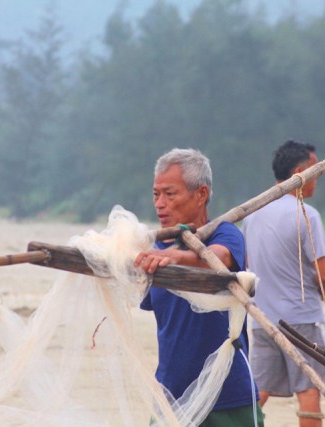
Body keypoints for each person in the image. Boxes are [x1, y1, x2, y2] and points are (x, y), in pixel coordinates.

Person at [134, 148, 262, 426]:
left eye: (170, 194)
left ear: (201, 194)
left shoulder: (225, 233)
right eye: (156, 194)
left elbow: (217, 259)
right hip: (171, 395)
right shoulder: (154, 250)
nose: (160, 204)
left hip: (227, 395)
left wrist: (174, 257)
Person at [242, 140, 325, 427]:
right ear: (299, 172)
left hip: (262, 319)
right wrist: (323, 285)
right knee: (309, 391)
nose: (317, 178)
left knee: (258, 390)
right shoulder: (306, 213)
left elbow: (248, 265)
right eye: (315, 171)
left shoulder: (253, 212)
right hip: (301, 320)